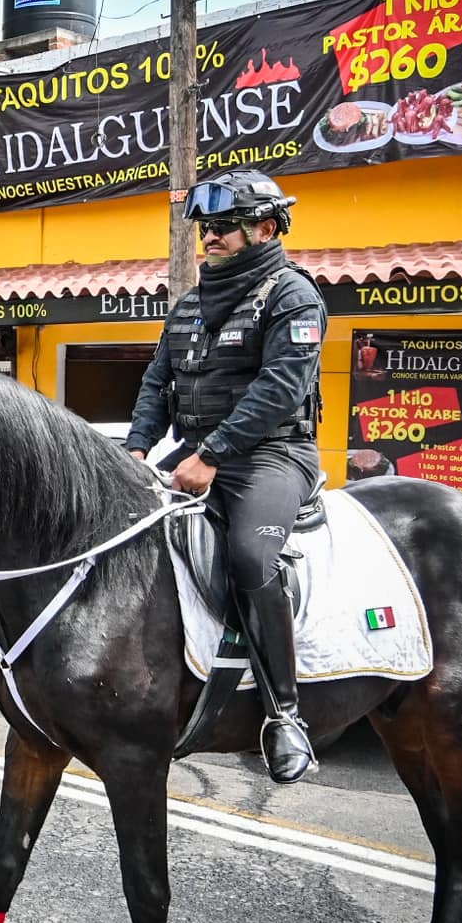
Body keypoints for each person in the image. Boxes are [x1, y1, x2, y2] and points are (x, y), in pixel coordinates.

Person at [123, 168, 327, 785]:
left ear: (264, 229)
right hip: (192, 452)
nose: (210, 237)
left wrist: (212, 454)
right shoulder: (189, 303)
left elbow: (279, 388)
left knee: (248, 556)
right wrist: (134, 451)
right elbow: (158, 380)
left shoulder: (294, 295)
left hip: (270, 456)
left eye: (224, 227)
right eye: (205, 228)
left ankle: (284, 714)